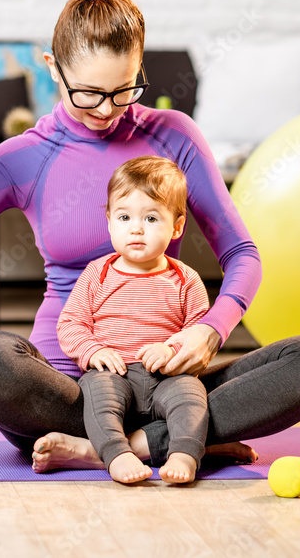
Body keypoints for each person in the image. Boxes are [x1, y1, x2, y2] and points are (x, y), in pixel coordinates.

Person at [0, 0, 300, 473]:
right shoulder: (26, 156)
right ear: (52, 69)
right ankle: (177, 442)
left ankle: (113, 448)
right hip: (65, 390)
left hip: (170, 383)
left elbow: (241, 253)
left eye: (123, 90)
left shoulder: (173, 134)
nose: (108, 110)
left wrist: (210, 331)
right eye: (89, 93)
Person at [58, 156, 210, 484]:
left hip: (167, 377)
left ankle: (185, 453)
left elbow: (198, 333)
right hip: (114, 372)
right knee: (99, 397)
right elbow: (70, 324)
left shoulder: (186, 280)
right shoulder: (97, 274)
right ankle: (117, 454)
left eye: (152, 218)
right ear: (110, 220)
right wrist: (92, 351)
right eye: (125, 217)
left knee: (192, 396)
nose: (136, 228)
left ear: (177, 226)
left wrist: (172, 350)